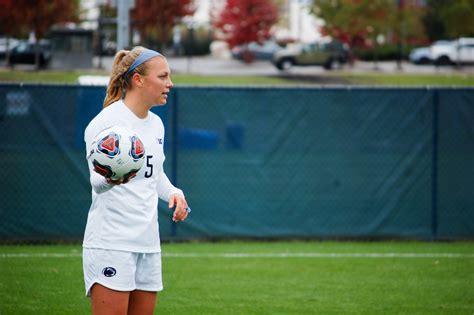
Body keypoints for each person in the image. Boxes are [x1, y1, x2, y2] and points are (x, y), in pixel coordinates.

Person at [83, 46, 189, 315]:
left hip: (148, 244)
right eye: (163, 76)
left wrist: (174, 192)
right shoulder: (106, 124)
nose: (170, 83)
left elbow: (155, 174)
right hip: (112, 243)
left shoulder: (156, 124)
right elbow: (96, 183)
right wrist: (113, 178)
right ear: (138, 79)